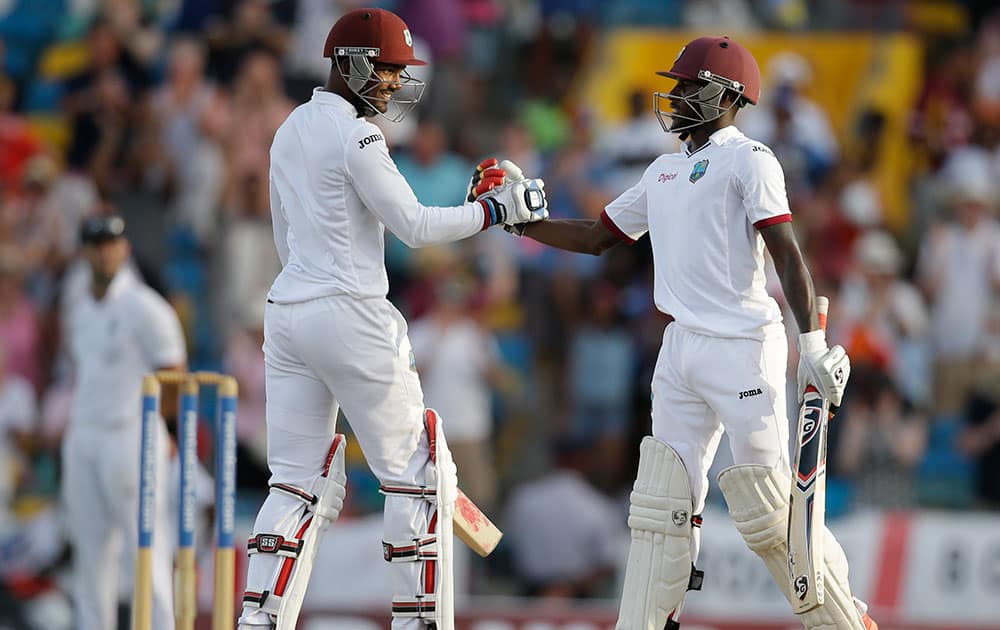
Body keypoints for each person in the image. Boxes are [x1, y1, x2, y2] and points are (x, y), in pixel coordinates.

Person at [504, 36, 877, 630]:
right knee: (660, 505)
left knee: (766, 508)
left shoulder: (749, 159)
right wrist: (521, 221)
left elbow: (787, 253)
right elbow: (599, 238)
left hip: (742, 347)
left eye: (688, 86)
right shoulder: (664, 170)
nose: (675, 96)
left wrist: (811, 348)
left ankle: (841, 621)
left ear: (726, 96)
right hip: (678, 349)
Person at [237, 8, 547, 630]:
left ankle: (259, 620)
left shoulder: (289, 128)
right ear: (349, 64)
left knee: (295, 483)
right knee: (418, 476)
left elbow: (283, 234)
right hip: (351, 313)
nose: (392, 85)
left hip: (289, 311)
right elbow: (415, 227)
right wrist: (496, 211)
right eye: (385, 71)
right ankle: (419, 622)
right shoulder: (359, 136)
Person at [61, 215, 186, 629]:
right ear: (85, 252)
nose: (105, 251)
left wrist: (166, 430)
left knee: (145, 547)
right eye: (96, 243)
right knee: (91, 551)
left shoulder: (144, 306)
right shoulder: (79, 309)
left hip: (130, 434)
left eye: (112, 242)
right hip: (85, 434)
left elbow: (174, 372)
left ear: (125, 248)